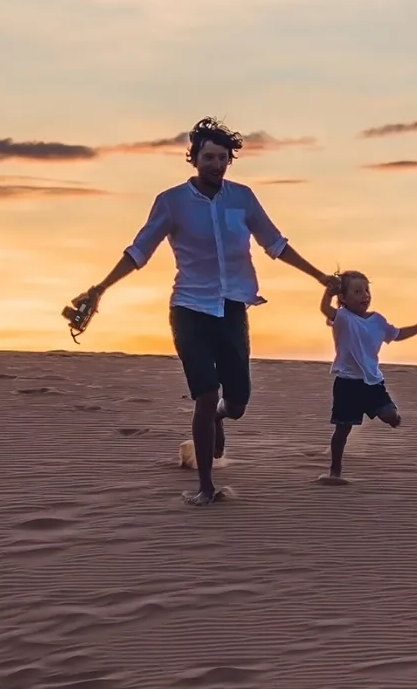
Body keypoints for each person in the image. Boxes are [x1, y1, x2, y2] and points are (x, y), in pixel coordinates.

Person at [69, 117, 339, 505]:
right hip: (189, 310)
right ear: (193, 158)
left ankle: (218, 420)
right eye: (208, 157)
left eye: (222, 158)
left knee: (239, 402)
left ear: (229, 161)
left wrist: (318, 277)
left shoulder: (242, 198)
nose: (215, 164)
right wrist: (99, 289)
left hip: (232, 310)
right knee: (206, 393)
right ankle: (206, 487)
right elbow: (139, 251)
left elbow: (275, 243)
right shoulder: (171, 201)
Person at [317, 270, 417, 485]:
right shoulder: (343, 317)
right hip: (347, 383)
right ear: (343, 298)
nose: (364, 295)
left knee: (390, 416)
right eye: (357, 291)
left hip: (372, 383)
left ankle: (389, 415)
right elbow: (325, 308)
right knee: (343, 429)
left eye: (366, 290)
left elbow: (398, 334)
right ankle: (334, 470)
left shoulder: (377, 320)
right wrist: (328, 293)